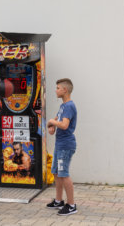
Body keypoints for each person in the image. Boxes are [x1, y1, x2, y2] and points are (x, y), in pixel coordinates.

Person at [46, 78, 78, 216]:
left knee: (63, 174)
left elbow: (64, 125)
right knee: (56, 172)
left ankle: (71, 205)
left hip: (66, 145)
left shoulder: (69, 106)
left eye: (58, 88)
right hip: (60, 144)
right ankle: (59, 201)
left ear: (65, 90)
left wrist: (53, 121)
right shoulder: (63, 106)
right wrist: (52, 125)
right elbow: (58, 121)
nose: (56, 90)